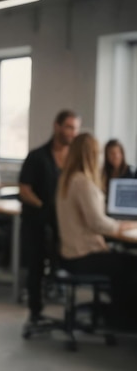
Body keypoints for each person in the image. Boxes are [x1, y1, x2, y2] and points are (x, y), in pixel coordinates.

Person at [56, 133, 137, 328]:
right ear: (90, 155)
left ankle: (118, 313)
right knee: (131, 264)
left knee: (125, 260)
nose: (102, 157)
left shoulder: (67, 179)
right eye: (99, 152)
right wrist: (126, 225)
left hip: (71, 254)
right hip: (83, 256)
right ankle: (122, 319)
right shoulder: (82, 182)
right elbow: (98, 224)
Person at [19, 109, 80, 324]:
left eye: (75, 128)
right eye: (69, 127)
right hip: (37, 221)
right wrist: (46, 207)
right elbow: (25, 190)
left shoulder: (75, 158)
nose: (73, 132)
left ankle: (67, 311)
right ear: (57, 126)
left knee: (64, 263)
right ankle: (35, 312)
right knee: (35, 266)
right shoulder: (37, 156)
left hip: (64, 225)